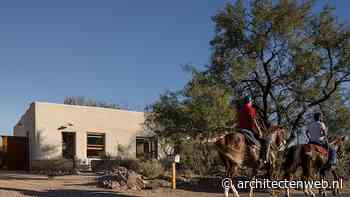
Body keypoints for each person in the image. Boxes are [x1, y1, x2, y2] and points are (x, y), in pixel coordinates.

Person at [238, 96, 269, 164]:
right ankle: (263, 159)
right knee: (266, 140)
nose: (251, 103)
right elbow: (254, 121)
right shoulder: (250, 109)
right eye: (251, 101)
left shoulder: (240, 110)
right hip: (247, 131)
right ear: (250, 101)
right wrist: (259, 131)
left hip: (239, 130)